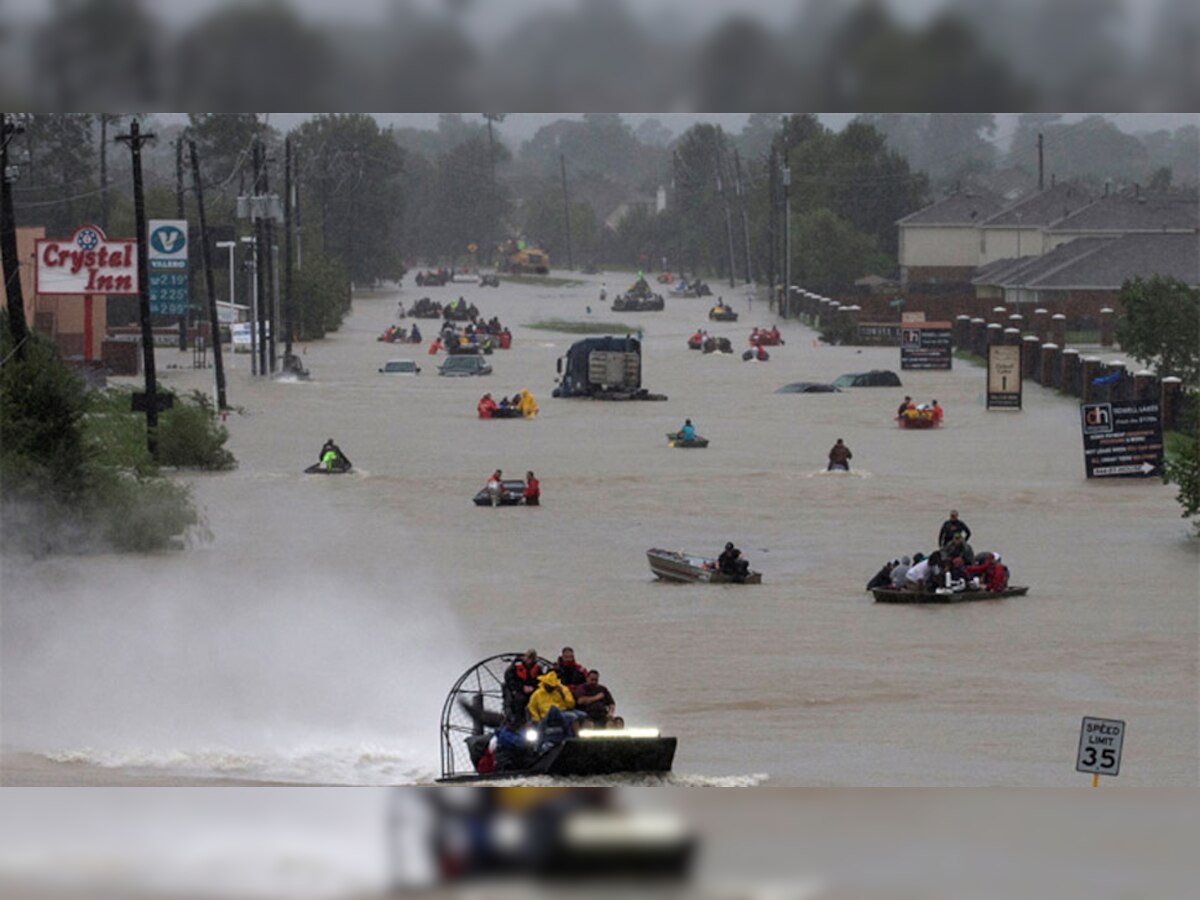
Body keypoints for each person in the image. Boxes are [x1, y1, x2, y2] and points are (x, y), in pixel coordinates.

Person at [502, 649, 542, 724]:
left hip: (532, 690)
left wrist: (533, 688)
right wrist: (522, 687)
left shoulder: (538, 668)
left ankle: (536, 720)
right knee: (519, 700)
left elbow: (540, 681)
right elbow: (509, 679)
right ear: (524, 657)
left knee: (538, 700)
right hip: (518, 690)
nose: (529, 660)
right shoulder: (515, 666)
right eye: (528, 657)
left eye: (531, 658)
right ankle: (518, 721)